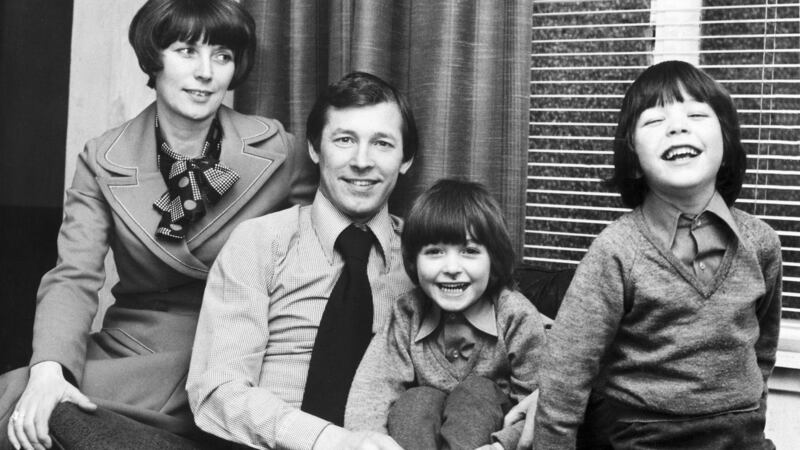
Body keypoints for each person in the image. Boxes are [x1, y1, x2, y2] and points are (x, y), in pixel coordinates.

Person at [0, 0, 315, 449]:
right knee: (21, 396)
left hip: (232, 346)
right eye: (187, 51)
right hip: (134, 343)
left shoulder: (279, 149)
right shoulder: (102, 157)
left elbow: (313, 264)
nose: (207, 72)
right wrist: (49, 369)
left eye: (221, 55)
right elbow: (73, 276)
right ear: (154, 58)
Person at [522, 60, 783, 449]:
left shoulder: (762, 243)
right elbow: (566, 371)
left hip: (739, 436)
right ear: (634, 157)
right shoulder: (616, 249)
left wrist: (747, 411)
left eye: (696, 114)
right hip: (641, 436)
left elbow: (761, 349)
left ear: (727, 144)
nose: (678, 126)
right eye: (654, 121)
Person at [187, 71, 418, 450]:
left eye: (382, 144)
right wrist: (329, 441)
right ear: (314, 149)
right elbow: (217, 391)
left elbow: (509, 331)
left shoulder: (426, 259)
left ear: (405, 159)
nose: (362, 161)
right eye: (344, 140)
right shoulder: (259, 242)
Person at [344, 179, 546, 450]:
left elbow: (541, 403)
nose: (452, 267)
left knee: (477, 392)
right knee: (416, 400)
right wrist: (369, 440)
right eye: (435, 252)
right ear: (414, 261)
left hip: (492, 439)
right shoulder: (408, 312)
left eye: (470, 251)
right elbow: (373, 388)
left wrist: (503, 445)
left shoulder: (515, 316)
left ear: (494, 262)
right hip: (419, 435)